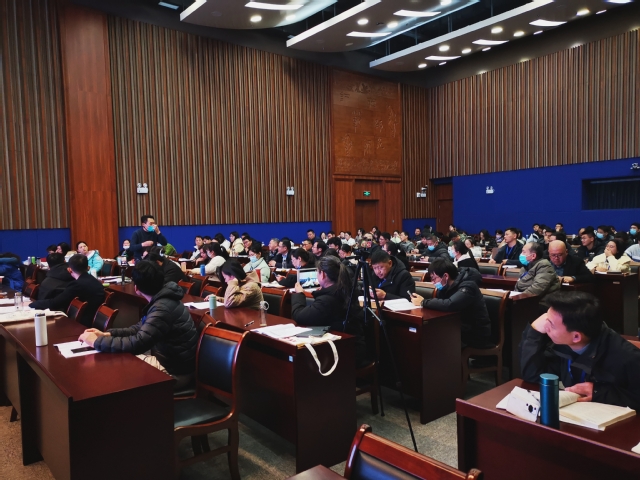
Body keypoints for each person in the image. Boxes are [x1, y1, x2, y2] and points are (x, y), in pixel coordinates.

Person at [79, 260, 198, 388]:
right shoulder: (164, 299)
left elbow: (138, 343)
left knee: (116, 369)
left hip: (175, 374)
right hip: (170, 362)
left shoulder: (162, 308)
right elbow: (139, 328)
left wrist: (96, 342)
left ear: (136, 288)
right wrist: (107, 334)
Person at [519, 291, 640, 410]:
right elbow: (534, 376)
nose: (545, 326)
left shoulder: (626, 357)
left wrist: (599, 392)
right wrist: (534, 333)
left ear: (576, 337)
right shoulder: (563, 343)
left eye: (551, 324)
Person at [290, 256, 367, 366]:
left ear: (323, 274)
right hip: (353, 346)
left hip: (345, 352)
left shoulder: (328, 299)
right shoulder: (344, 290)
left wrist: (299, 294)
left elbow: (298, 315)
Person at [410, 259, 491, 348]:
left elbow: (450, 304)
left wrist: (423, 302)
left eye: (434, 278)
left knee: (433, 339)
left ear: (446, 276)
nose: (433, 282)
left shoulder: (468, 286)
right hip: (457, 327)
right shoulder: (444, 288)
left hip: (475, 334)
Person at [30, 254, 105, 327]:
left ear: (69, 270)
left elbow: (55, 302)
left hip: (82, 323)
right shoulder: (94, 281)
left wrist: (32, 304)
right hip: (94, 320)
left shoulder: (77, 285)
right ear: (88, 268)